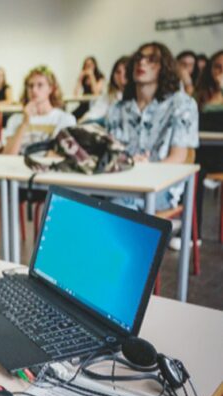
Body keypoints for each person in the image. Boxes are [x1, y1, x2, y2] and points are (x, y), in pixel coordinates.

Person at [0, 66, 76, 257]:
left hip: (47, 180)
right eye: (30, 85)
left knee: (51, 202)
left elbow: (60, 155)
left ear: (51, 88)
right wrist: (25, 122)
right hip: (17, 179)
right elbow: (7, 156)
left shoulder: (64, 118)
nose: (34, 90)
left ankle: (40, 265)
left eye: (40, 85)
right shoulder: (16, 119)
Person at [106, 42, 199, 216]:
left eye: (152, 59)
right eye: (139, 58)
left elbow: (178, 157)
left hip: (162, 185)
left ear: (164, 68)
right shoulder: (118, 108)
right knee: (73, 199)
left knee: (116, 207)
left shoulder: (182, 104)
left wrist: (145, 169)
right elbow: (111, 152)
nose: (142, 63)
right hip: (119, 180)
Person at [190, 50, 223, 250]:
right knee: (193, 173)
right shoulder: (200, 95)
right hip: (202, 153)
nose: (221, 71)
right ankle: (195, 233)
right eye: (218, 66)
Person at [80, 56, 130, 124]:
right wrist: (79, 78)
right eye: (118, 72)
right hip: (86, 105)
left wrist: (91, 75)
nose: (122, 76)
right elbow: (93, 113)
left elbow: (96, 92)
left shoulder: (100, 76)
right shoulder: (110, 95)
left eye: (126, 72)